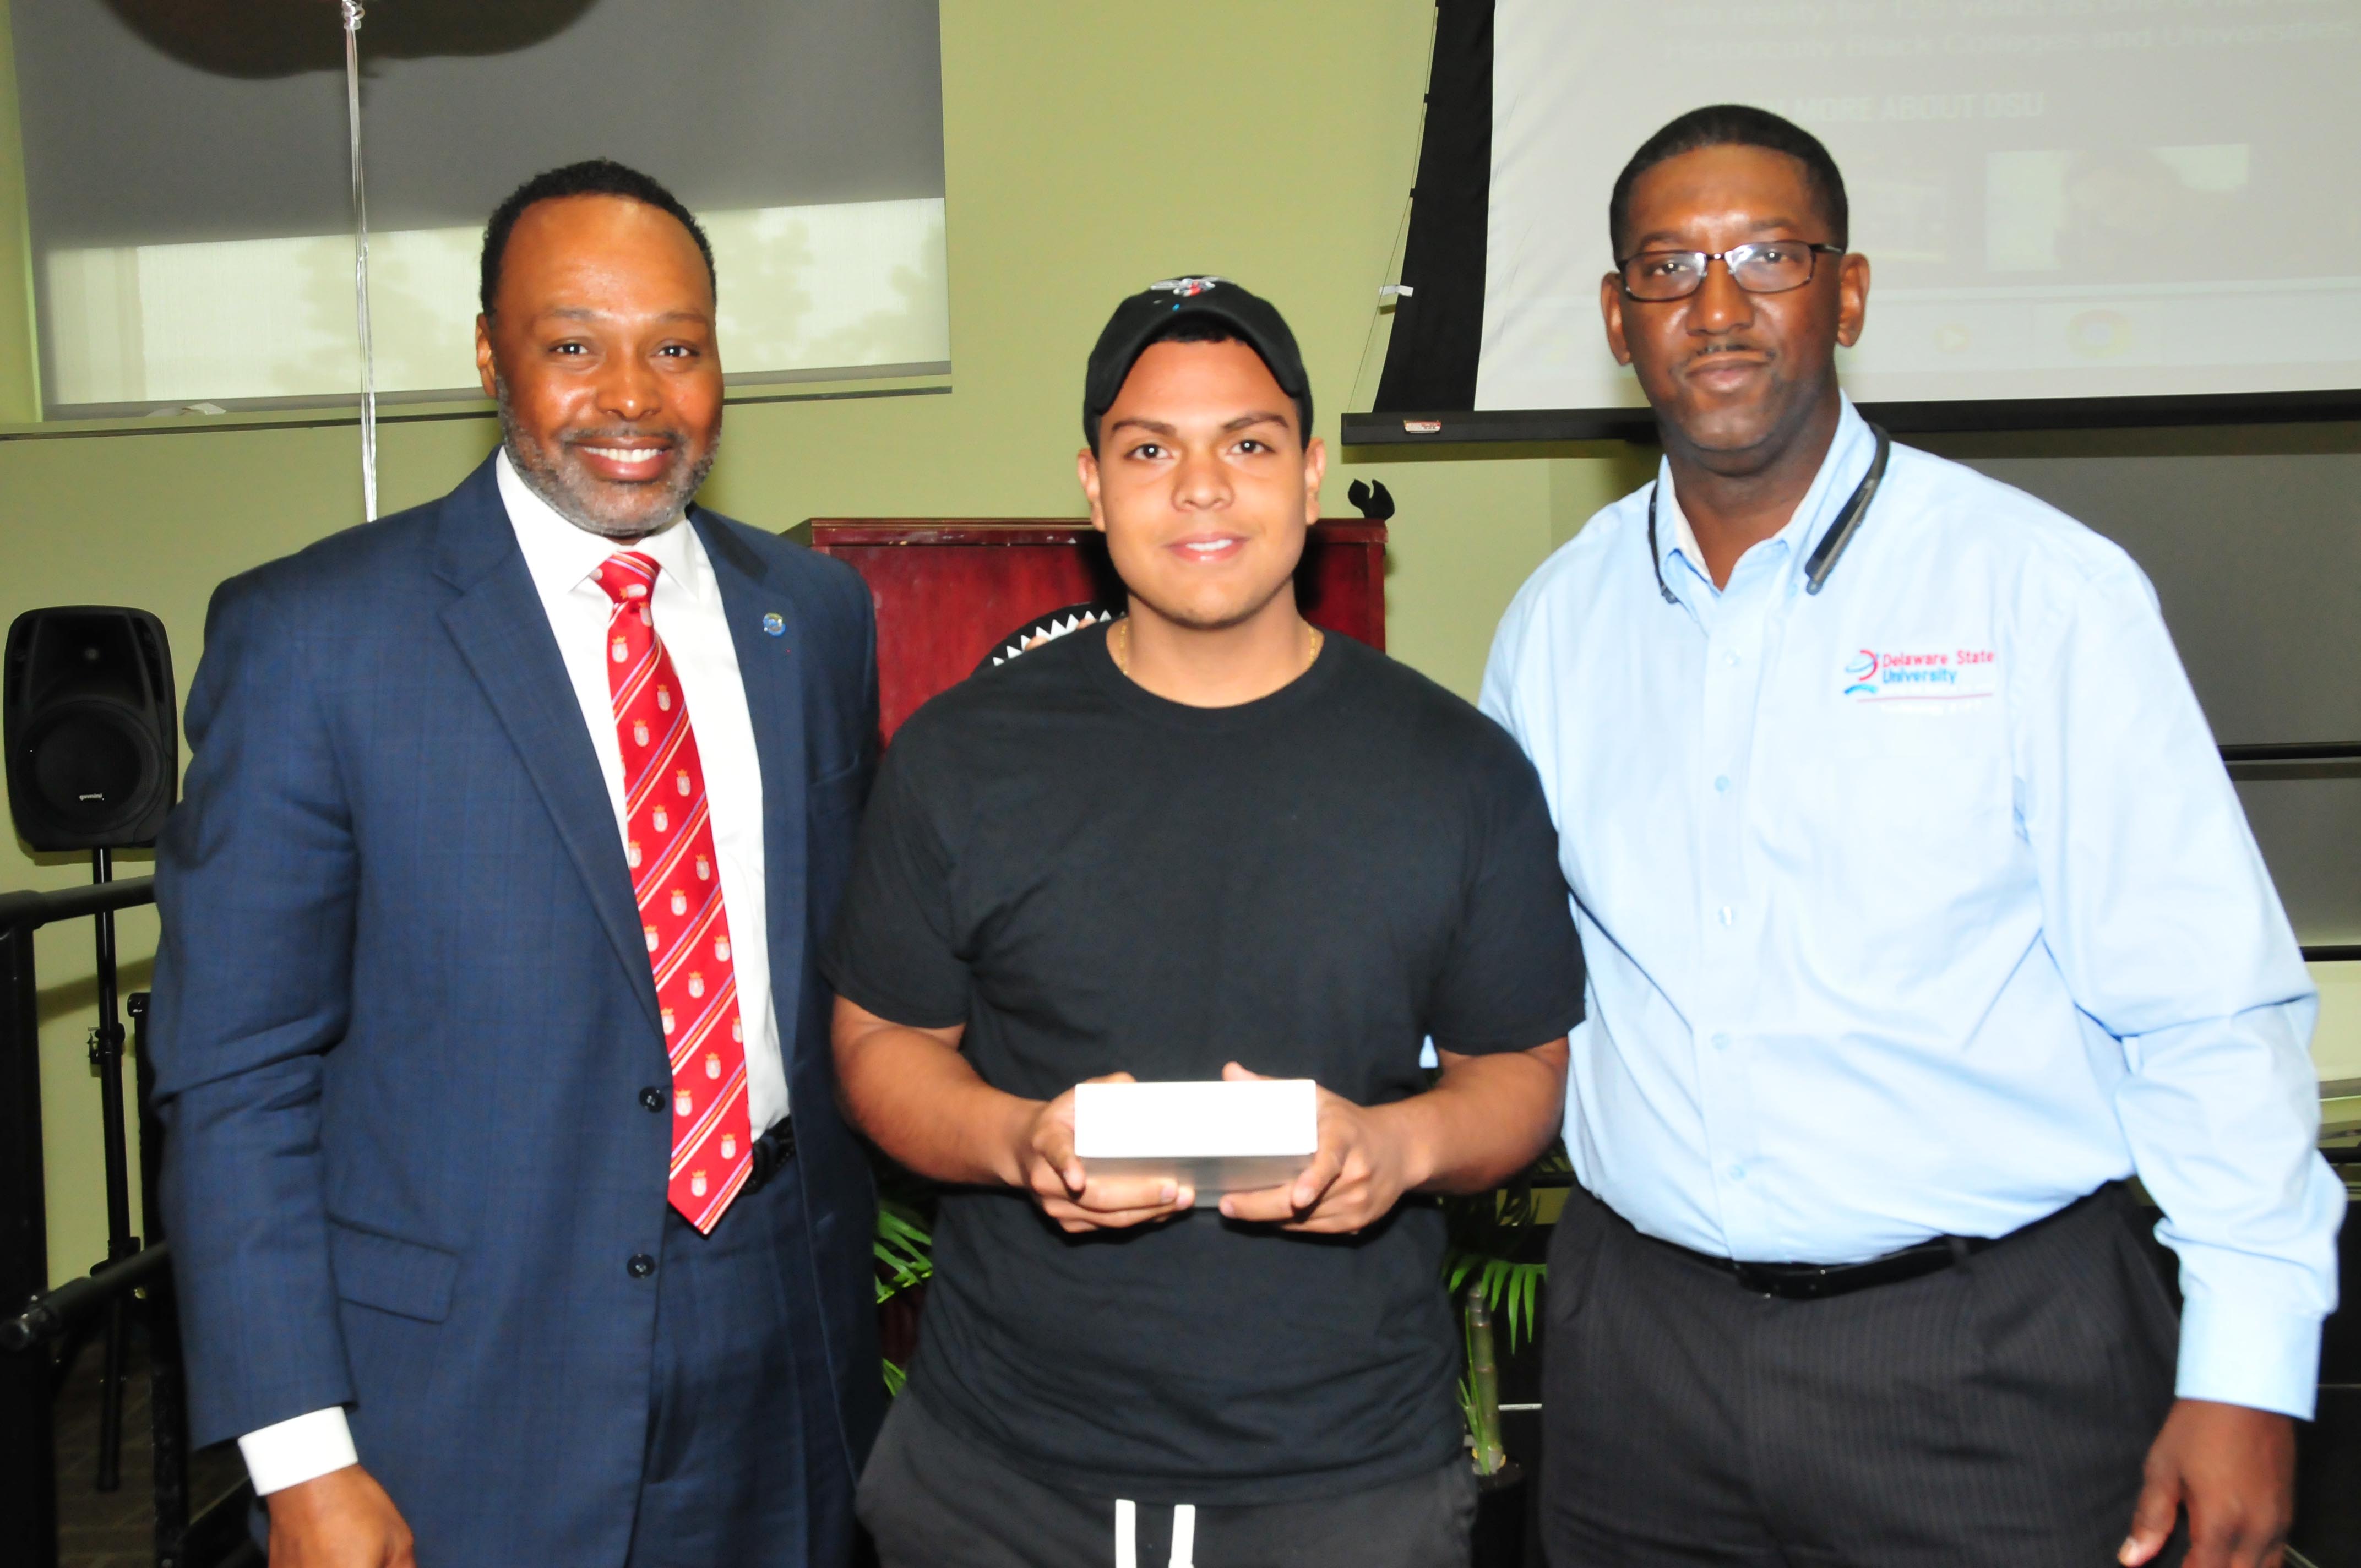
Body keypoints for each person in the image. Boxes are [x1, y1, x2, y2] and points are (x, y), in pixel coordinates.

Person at [1481, 105, 2342, 1568]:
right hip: (1645, 1371)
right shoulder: (1556, 628)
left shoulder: (2042, 594)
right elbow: (1500, 976)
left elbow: (2206, 1004)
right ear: (1621, 320)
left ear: (1852, 291)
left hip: (1990, 1364)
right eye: (1671, 266)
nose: (1722, 304)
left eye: (1770, 253)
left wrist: (2249, 1370)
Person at [149, 159, 883, 1567]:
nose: (632, 396)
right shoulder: (314, 638)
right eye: (572, 346)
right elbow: (236, 1077)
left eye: (675, 345)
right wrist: (301, 1459)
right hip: (463, 1395)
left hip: (785, 1357)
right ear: (489, 356)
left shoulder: (814, 616)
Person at [826, 277, 1587, 1568]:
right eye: (1147, 448)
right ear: (1091, 482)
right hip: (999, 1475)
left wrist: (1390, 1149)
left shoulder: (1453, 767)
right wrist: (1021, 1140)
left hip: (1341, 1481)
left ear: (1310, 474)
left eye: (1246, 442)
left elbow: (1518, 1074)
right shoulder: (964, 755)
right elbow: (880, 1045)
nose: (1199, 487)